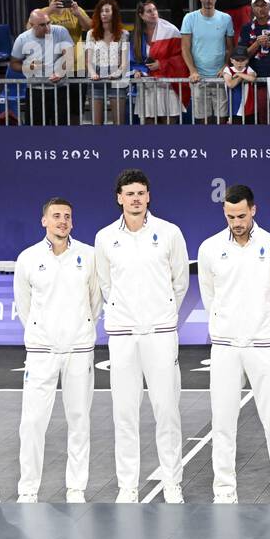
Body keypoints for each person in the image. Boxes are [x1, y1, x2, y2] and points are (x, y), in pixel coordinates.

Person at [94, 169, 189, 504]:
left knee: (167, 410)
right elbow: (106, 284)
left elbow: (180, 282)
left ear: (148, 196)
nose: (135, 199)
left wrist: (161, 314)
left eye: (141, 193)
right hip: (121, 335)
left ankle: (172, 483)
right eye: (129, 193)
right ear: (119, 197)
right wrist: (125, 314)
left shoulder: (169, 233)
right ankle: (128, 486)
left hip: (160, 333)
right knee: (124, 413)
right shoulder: (105, 237)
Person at [194, 184, 270, 503]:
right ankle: (224, 491)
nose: (236, 222)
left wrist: (262, 325)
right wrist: (227, 325)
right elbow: (210, 296)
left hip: (264, 345)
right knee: (222, 421)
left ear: (253, 210)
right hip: (224, 346)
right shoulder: (209, 248)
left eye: (241, 215)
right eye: (229, 216)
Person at [12, 198, 100, 503]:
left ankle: (76, 488)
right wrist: (41, 332)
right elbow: (24, 306)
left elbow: (95, 302)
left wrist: (81, 329)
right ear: (44, 221)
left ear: (72, 223)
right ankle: (28, 489)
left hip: (78, 349)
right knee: (32, 422)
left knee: (79, 419)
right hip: (40, 351)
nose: (62, 221)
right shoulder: (27, 258)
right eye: (56, 216)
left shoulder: (89, 256)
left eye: (67, 217)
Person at [10, 9, 77, 127]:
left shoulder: (61, 32)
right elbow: (14, 64)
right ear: (31, 25)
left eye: (48, 23)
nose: (47, 28)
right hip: (35, 91)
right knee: (36, 132)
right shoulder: (22, 39)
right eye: (42, 25)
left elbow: (70, 57)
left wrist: (60, 72)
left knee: (62, 130)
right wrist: (28, 67)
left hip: (60, 89)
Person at [182, 0, 237, 124]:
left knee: (222, 121)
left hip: (221, 78)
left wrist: (225, 66)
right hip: (198, 78)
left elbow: (230, 47)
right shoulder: (189, 18)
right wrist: (193, 71)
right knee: (202, 122)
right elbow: (185, 48)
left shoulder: (226, 18)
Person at [131, 0, 185, 124]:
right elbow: (134, 60)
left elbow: (182, 58)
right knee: (149, 130)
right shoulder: (137, 35)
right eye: (149, 11)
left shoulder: (171, 31)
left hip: (168, 86)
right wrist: (137, 71)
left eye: (154, 10)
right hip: (147, 87)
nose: (153, 13)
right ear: (141, 15)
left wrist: (162, 64)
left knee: (169, 130)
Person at [85, 0, 130, 126]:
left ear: (114, 13)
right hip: (97, 77)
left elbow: (124, 61)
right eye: (101, 11)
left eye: (107, 11)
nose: (103, 14)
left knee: (118, 123)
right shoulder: (91, 34)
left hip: (116, 78)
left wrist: (117, 73)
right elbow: (88, 60)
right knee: (97, 123)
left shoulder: (124, 34)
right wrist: (93, 73)